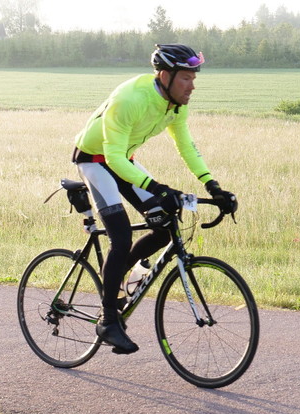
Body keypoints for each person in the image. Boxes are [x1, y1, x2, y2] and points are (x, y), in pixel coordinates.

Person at [72, 43, 237, 355]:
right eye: (186, 78)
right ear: (165, 75)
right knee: (119, 237)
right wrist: (159, 187)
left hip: (123, 159)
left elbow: (186, 145)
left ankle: (121, 278)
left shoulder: (176, 104)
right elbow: (113, 159)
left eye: (194, 78)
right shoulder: (130, 99)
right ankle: (108, 321)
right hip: (95, 160)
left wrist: (213, 186)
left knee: (163, 225)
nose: (192, 85)